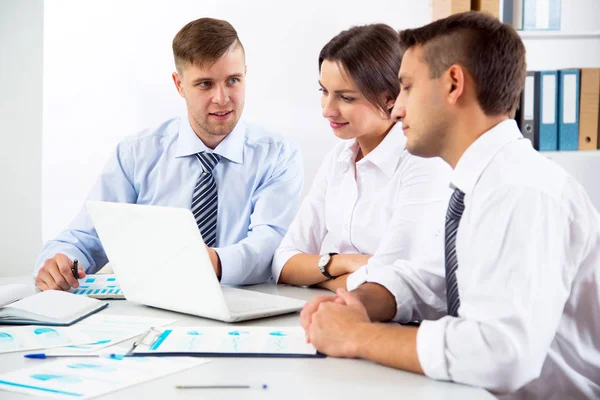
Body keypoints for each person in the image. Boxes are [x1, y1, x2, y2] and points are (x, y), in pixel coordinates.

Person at [301, 11, 600, 400]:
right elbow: (432, 278)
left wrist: (357, 335)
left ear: (453, 84)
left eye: (406, 87)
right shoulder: (476, 182)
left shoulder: (522, 191)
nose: (396, 109)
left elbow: (501, 354)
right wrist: (357, 303)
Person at [34, 18, 303, 291]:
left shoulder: (278, 156)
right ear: (179, 85)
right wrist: (59, 262)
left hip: (245, 305)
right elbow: (85, 237)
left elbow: (270, 243)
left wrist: (210, 263)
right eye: (205, 84)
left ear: (245, 75)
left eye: (233, 80)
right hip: (154, 304)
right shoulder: (136, 154)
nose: (222, 98)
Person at [272, 24, 451, 300]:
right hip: (341, 314)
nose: (327, 110)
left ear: (389, 98)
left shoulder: (423, 161)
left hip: (401, 328)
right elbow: (283, 263)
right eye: (324, 91)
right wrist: (339, 263)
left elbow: (390, 280)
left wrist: (319, 278)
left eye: (346, 97)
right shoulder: (339, 157)